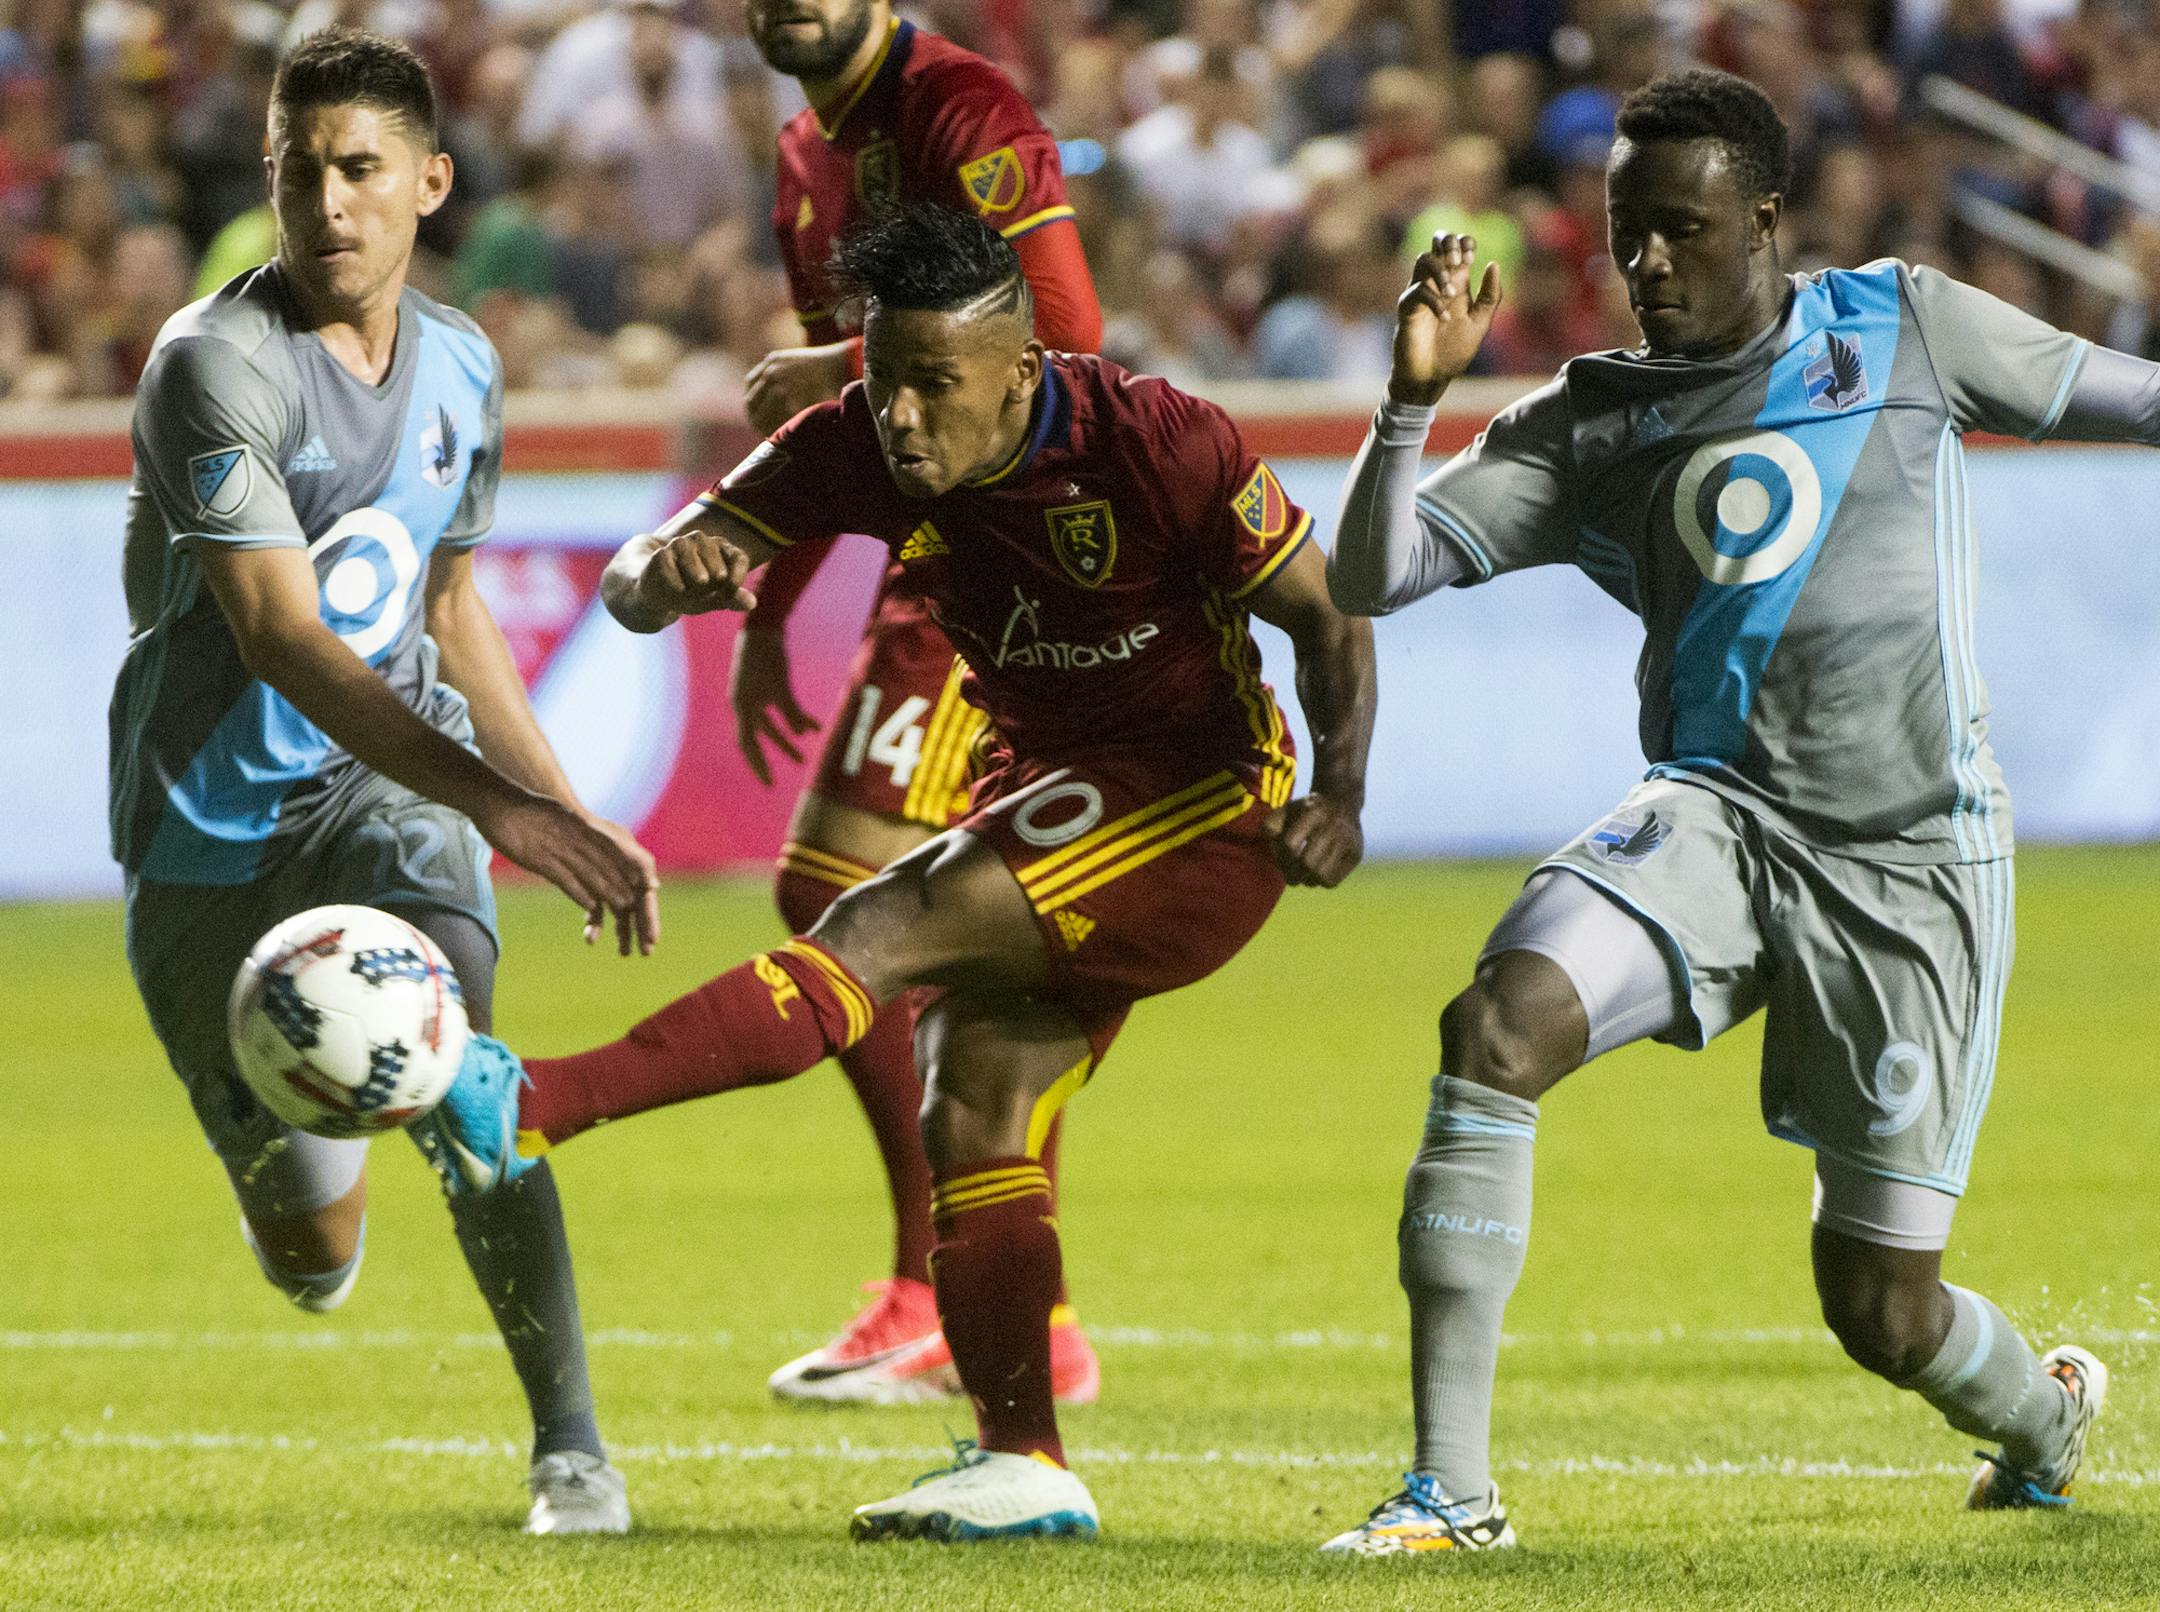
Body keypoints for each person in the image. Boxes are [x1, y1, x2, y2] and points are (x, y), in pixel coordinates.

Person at [417, 201, 1377, 1541]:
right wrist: (665, 577)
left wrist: (1340, 793)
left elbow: (1326, 617)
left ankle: (532, 1104)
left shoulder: (1157, 440)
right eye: (885, 378)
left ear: (1021, 368)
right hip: (1043, 783)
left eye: (936, 385)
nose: (906, 418)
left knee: (880, 927)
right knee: (975, 1091)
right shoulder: (858, 441)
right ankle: (1025, 1465)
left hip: (1202, 801)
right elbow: (640, 574)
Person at [1318, 67, 2143, 1556]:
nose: (1645, 265)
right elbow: (1372, 579)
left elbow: (2133, 401)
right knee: (1496, 1022)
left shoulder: (1906, 322)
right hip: (1713, 818)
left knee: (1879, 1307)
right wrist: (1409, 403)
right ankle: (1451, 1493)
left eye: (1683, 231)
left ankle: (2044, 1416)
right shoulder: (1588, 418)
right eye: (1627, 231)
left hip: (1911, 863)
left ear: (1767, 223)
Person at [109, 28, 657, 1536]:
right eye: (301, 172)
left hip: (383, 799)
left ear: (431, 180)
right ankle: (303, 1174)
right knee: (311, 1254)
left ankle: (572, 1456)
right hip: (208, 832)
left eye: (361, 171)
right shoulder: (214, 366)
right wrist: (510, 807)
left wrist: (558, 808)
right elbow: (282, 636)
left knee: (471, 1077)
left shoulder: (466, 365)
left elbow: (450, 613)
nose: (329, 205)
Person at [728, 0, 1106, 1406]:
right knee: (933, 933)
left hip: (1014, 555)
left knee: (847, 891)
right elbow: (850, 435)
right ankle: (1017, 1306)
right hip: (929, 565)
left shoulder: (964, 111)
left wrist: (835, 364)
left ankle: (943, 1290)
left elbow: (1067, 333)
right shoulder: (798, 155)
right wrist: (773, 601)